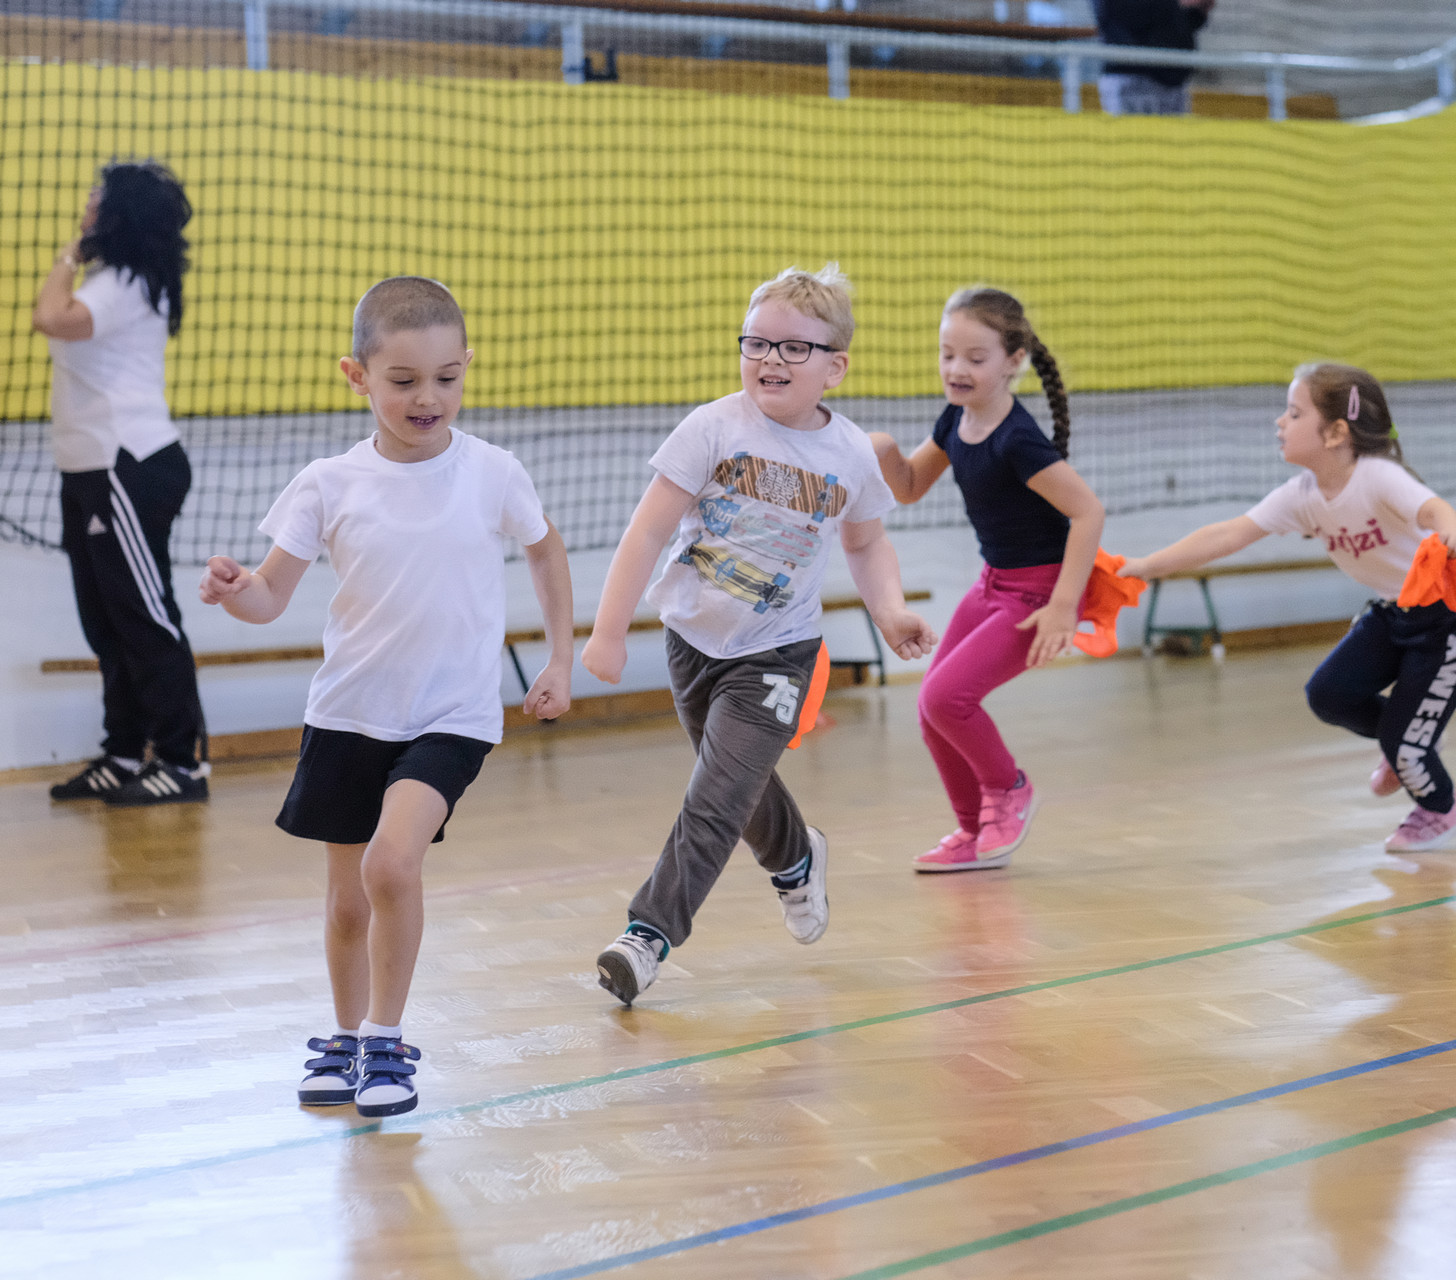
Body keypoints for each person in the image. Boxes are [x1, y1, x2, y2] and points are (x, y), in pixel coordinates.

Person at [198, 277, 576, 1116]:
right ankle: (343, 1039)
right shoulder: (328, 483)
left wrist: (561, 658)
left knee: (391, 864)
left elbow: (545, 550)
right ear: (357, 376)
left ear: (466, 366)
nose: (427, 397)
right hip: (348, 713)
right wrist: (235, 590)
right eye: (403, 380)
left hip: (451, 718)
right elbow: (269, 595)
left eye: (446, 377)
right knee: (346, 906)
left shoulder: (493, 473)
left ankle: (385, 1040)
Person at [581, 264, 937, 1007]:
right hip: (691, 642)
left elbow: (868, 544)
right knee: (737, 786)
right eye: (757, 343)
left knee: (714, 797)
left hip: (779, 652)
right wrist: (609, 631)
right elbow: (647, 531)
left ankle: (647, 935)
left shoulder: (849, 455)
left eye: (794, 348)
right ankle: (798, 858)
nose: (771, 359)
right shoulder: (712, 427)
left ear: (835, 367)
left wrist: (891, 611)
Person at [1120, 363, 1456, 853]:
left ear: (1335, 433)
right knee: (1329, 695)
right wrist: (1146, 566)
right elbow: (1227, 534)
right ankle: (1412, 741)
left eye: (1294, 413)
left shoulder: (1377, 477)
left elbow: (1434, 508)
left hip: (1450, 620)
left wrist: (1452, 531)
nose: (1280, 422)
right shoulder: (1302, 496)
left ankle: (1439, 808)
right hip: (1393, 612)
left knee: (1405, 744)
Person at [869, 287, 1105, 872]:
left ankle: (1010, 789)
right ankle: (974, 830)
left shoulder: (1017, 440)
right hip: (994, 583)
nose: (957, 369)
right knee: (932, 710)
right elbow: (910, 486)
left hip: (1037, 594)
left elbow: (1088, 513)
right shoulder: (956, 418)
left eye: (975, 358)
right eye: (947, 354)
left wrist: (1063, 607)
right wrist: (882, 450)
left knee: (946, 698)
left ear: (1013, 362)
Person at [33, 160, 209, 806]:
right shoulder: (115, 280)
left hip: (127, 468)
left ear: (120, 212)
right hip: (90, 470)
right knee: (105, 622)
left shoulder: (123, 283)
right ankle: (124, 752)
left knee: (144, 618)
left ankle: (183, 762)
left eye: (98, 194)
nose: (88, 200)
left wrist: (69, 253)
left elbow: (50, 316)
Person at [1092, 0, 1214, 116]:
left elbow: (1172, 24)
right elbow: (1128, 16)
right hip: (1134, 77)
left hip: (1171, 77)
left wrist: (1197, 11)